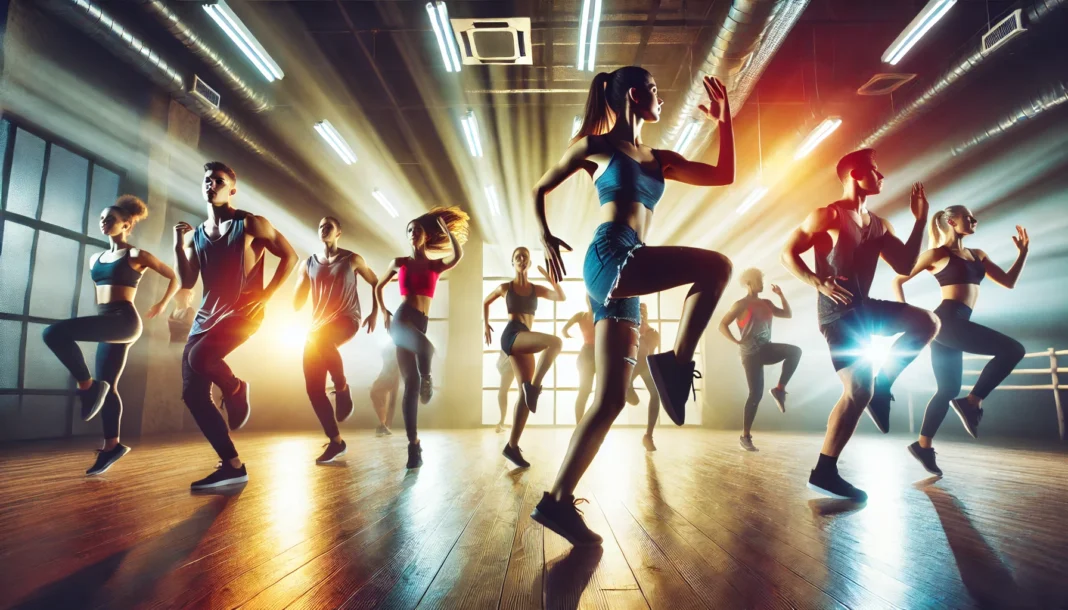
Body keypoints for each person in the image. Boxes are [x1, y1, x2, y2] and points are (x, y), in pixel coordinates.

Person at [530, 68, 735, 546]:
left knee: (611, 399)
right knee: (717, 266)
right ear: (636, 94)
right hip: (610, 256)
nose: (663, 99)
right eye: (659, 90)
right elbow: (540, 187)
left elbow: (724, 175)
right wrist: (544, 237)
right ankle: (677, 366)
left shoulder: (660, 159)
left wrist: (726, 123)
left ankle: (557, 501)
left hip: (629, 276)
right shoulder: (595, 147)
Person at [781, 149, 939, 502]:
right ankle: (824, 472)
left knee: (927, 322)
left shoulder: (881, 224)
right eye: (875, 171)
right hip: (837, 313)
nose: (882, 176)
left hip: (865, 307)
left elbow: (904, 264)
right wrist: (818, 282)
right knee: (857, 392)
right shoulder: (828, 214)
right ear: (855, 174)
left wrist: (919, 221)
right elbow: (788, 252)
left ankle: (884, 384)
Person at [174, 161, 298, 490]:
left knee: (199, 358)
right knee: (193, 394)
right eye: (207, 180)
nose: (211, 184)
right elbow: (188, 282)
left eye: (219, 180)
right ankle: (232, 465)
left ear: (232, 189)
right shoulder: (197, 236)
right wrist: (178, 245)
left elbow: (290, 256)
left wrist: (269, 294)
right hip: (206, 317)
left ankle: (236, 388)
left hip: (244, 312)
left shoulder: (250, 223)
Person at [43, 195, 179, 476]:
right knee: (109, 386)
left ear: (126, 224)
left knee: (54, 332)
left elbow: (174, 276)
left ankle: (86, 387)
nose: (104, 222)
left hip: (125, 321)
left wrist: (163, 304)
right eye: (102, 218)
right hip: (108, 322)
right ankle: (112, 446)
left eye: (111, 219)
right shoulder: (96, 258)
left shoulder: (135, 255)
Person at [892, 207, 1029, 476]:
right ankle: (972, 402)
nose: (974, 220)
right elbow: (899, 279)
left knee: (947, 390)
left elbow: (1009, 282)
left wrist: (1022, 253)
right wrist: (905, 314)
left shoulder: (977, 255)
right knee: (1013, 349)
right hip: (947, 321)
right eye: (969, 218)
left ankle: (923, 446)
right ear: (952, 222)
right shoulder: (936, 254)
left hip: (954, 325)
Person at [375, 207, 469, 469]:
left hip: (421, 323)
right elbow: (378, 286)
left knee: (411, 385)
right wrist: (383, 312)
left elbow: (457, 253)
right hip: (402, 320)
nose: (413, 232)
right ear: (408, 237)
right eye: (409, 230)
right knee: (426, 351)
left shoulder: (434, 265)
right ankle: (428, 380)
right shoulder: (400, 262)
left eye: (417, 229)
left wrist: (445, 229)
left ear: (426, 236)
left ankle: (413, 446)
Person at [294, 216, 379, 464]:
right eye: (320, 226)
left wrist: (376, 311)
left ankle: (342, 388)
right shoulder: (308, 263)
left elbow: (376, 282)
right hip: (318, 329)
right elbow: (296, 303)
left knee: (321, 339)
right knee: (313, 388)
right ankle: (336, 442)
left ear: (339, 232)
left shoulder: (352, 259)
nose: (324, 229)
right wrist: (297, 279)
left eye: (328, 226)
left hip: (347, 320)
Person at [483, 247, 566, 468]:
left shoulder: (535, 289)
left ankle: (512, 446)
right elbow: (485, 302)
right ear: (513, 262)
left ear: (528, 263)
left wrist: (551, 279)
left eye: (525, 257)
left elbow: (560, 297)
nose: (521, 259)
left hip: (525, 335)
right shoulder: (505, 288)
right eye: (518, 256)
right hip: (512, 334)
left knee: (524, 393)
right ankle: (534, 389)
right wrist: (485, 324)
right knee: (556, 342)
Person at [717, 268, 801, 452]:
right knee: (756, 395)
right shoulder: (740, 304)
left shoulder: (767, 303)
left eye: (762, 280)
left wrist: (781, 295)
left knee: (795, 351)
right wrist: (735, 340)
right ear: (748, 283)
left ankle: (779, 389)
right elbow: (722, 324)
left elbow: (787, 314)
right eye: (758, 280)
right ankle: (745, 436)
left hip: (766, 349)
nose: (762, 284)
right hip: (750, 354)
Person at [629, 302, 662, 451]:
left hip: (645, 366)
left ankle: (648, 436)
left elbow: (646, 353)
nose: (642, 315)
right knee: (626, 399)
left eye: (644, 313)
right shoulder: (628, 330)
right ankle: (628, 389)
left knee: (656, 394)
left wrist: (641, 334)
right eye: (639, 312)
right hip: (631, 366)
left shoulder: (653, 333)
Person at [561, 299, 596, 424]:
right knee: (584, 391)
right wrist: (565, 332)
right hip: (586, 355)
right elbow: (564, 329)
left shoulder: (603, 316)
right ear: (587, 301)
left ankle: (589, 424)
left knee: (600, 393)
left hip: (600, 355)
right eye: (589, 300)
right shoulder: (581, 315)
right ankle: (579, 425)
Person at [370, 341, 400, 436]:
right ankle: (384, 425)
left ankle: (385, 425)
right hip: (386, 378)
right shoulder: (390, 350)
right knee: (380, 397)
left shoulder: (394, 353)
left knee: (386, 399)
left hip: (390, 377)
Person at [494, 352, 515, 434]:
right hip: (509, 361)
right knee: (504, 390)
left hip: (503, 361)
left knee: (503, 390)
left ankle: (502, 422)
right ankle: (501, 423)